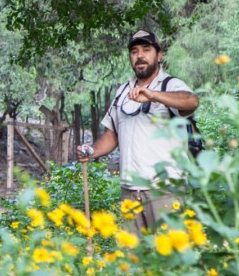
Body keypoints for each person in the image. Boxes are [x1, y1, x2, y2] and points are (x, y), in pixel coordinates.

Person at [78, 30, 199, 231]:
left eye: (146, 50)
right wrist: (91, 151)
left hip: (164, 190)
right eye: (134, 51)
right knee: (132, 259)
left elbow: (192, 101)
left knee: (170, 257)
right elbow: (112, 134)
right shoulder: (122, 92)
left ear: (159, 55)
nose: (139, 55)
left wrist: (153, 95)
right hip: (130, 191)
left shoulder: (170, 85)